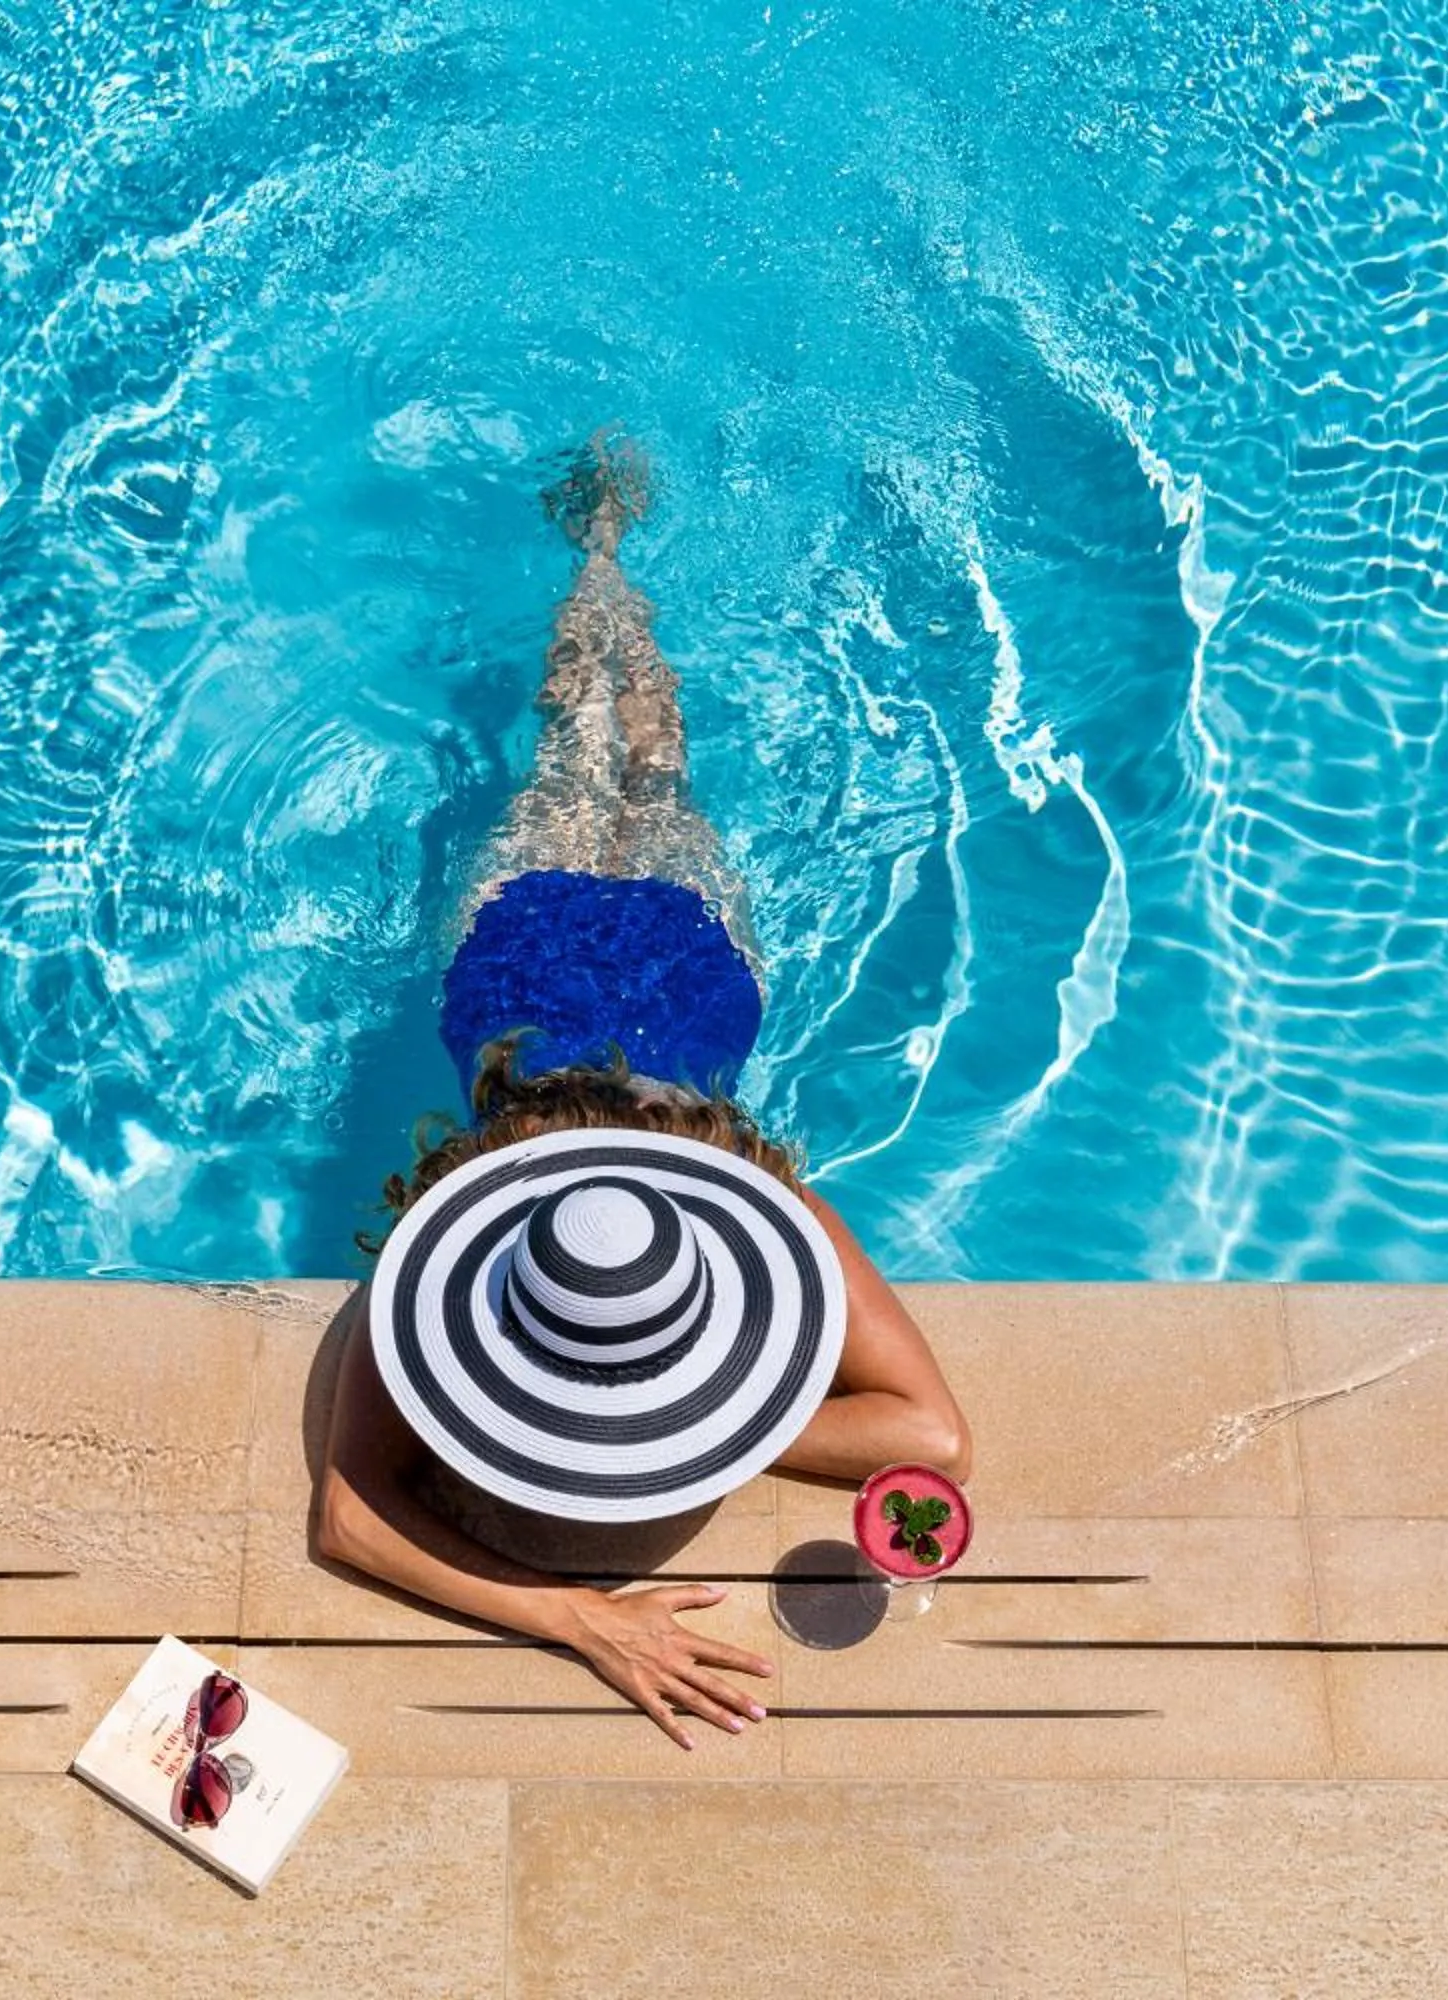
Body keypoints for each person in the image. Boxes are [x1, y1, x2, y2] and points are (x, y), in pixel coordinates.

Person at [310, 434, 973, 1750]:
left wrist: (711, 1421)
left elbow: (937, 1442)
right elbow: (341, 1515)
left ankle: (603, 555)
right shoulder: (743, 1217)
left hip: (552, 962)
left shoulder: (478, 1247)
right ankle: (604, 555)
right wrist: (592, 1602)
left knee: (605, 759)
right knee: (618, 761)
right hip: (636, 972)